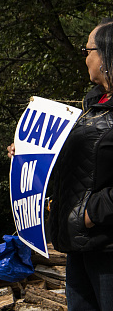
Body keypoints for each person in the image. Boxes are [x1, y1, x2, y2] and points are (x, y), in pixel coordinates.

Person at [45, 19, 113, 311]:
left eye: (89, 50)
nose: (85, 57)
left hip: (107, 246)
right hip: (79, 242)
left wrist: (92, 212)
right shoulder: (90, 106)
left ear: (108, 54)